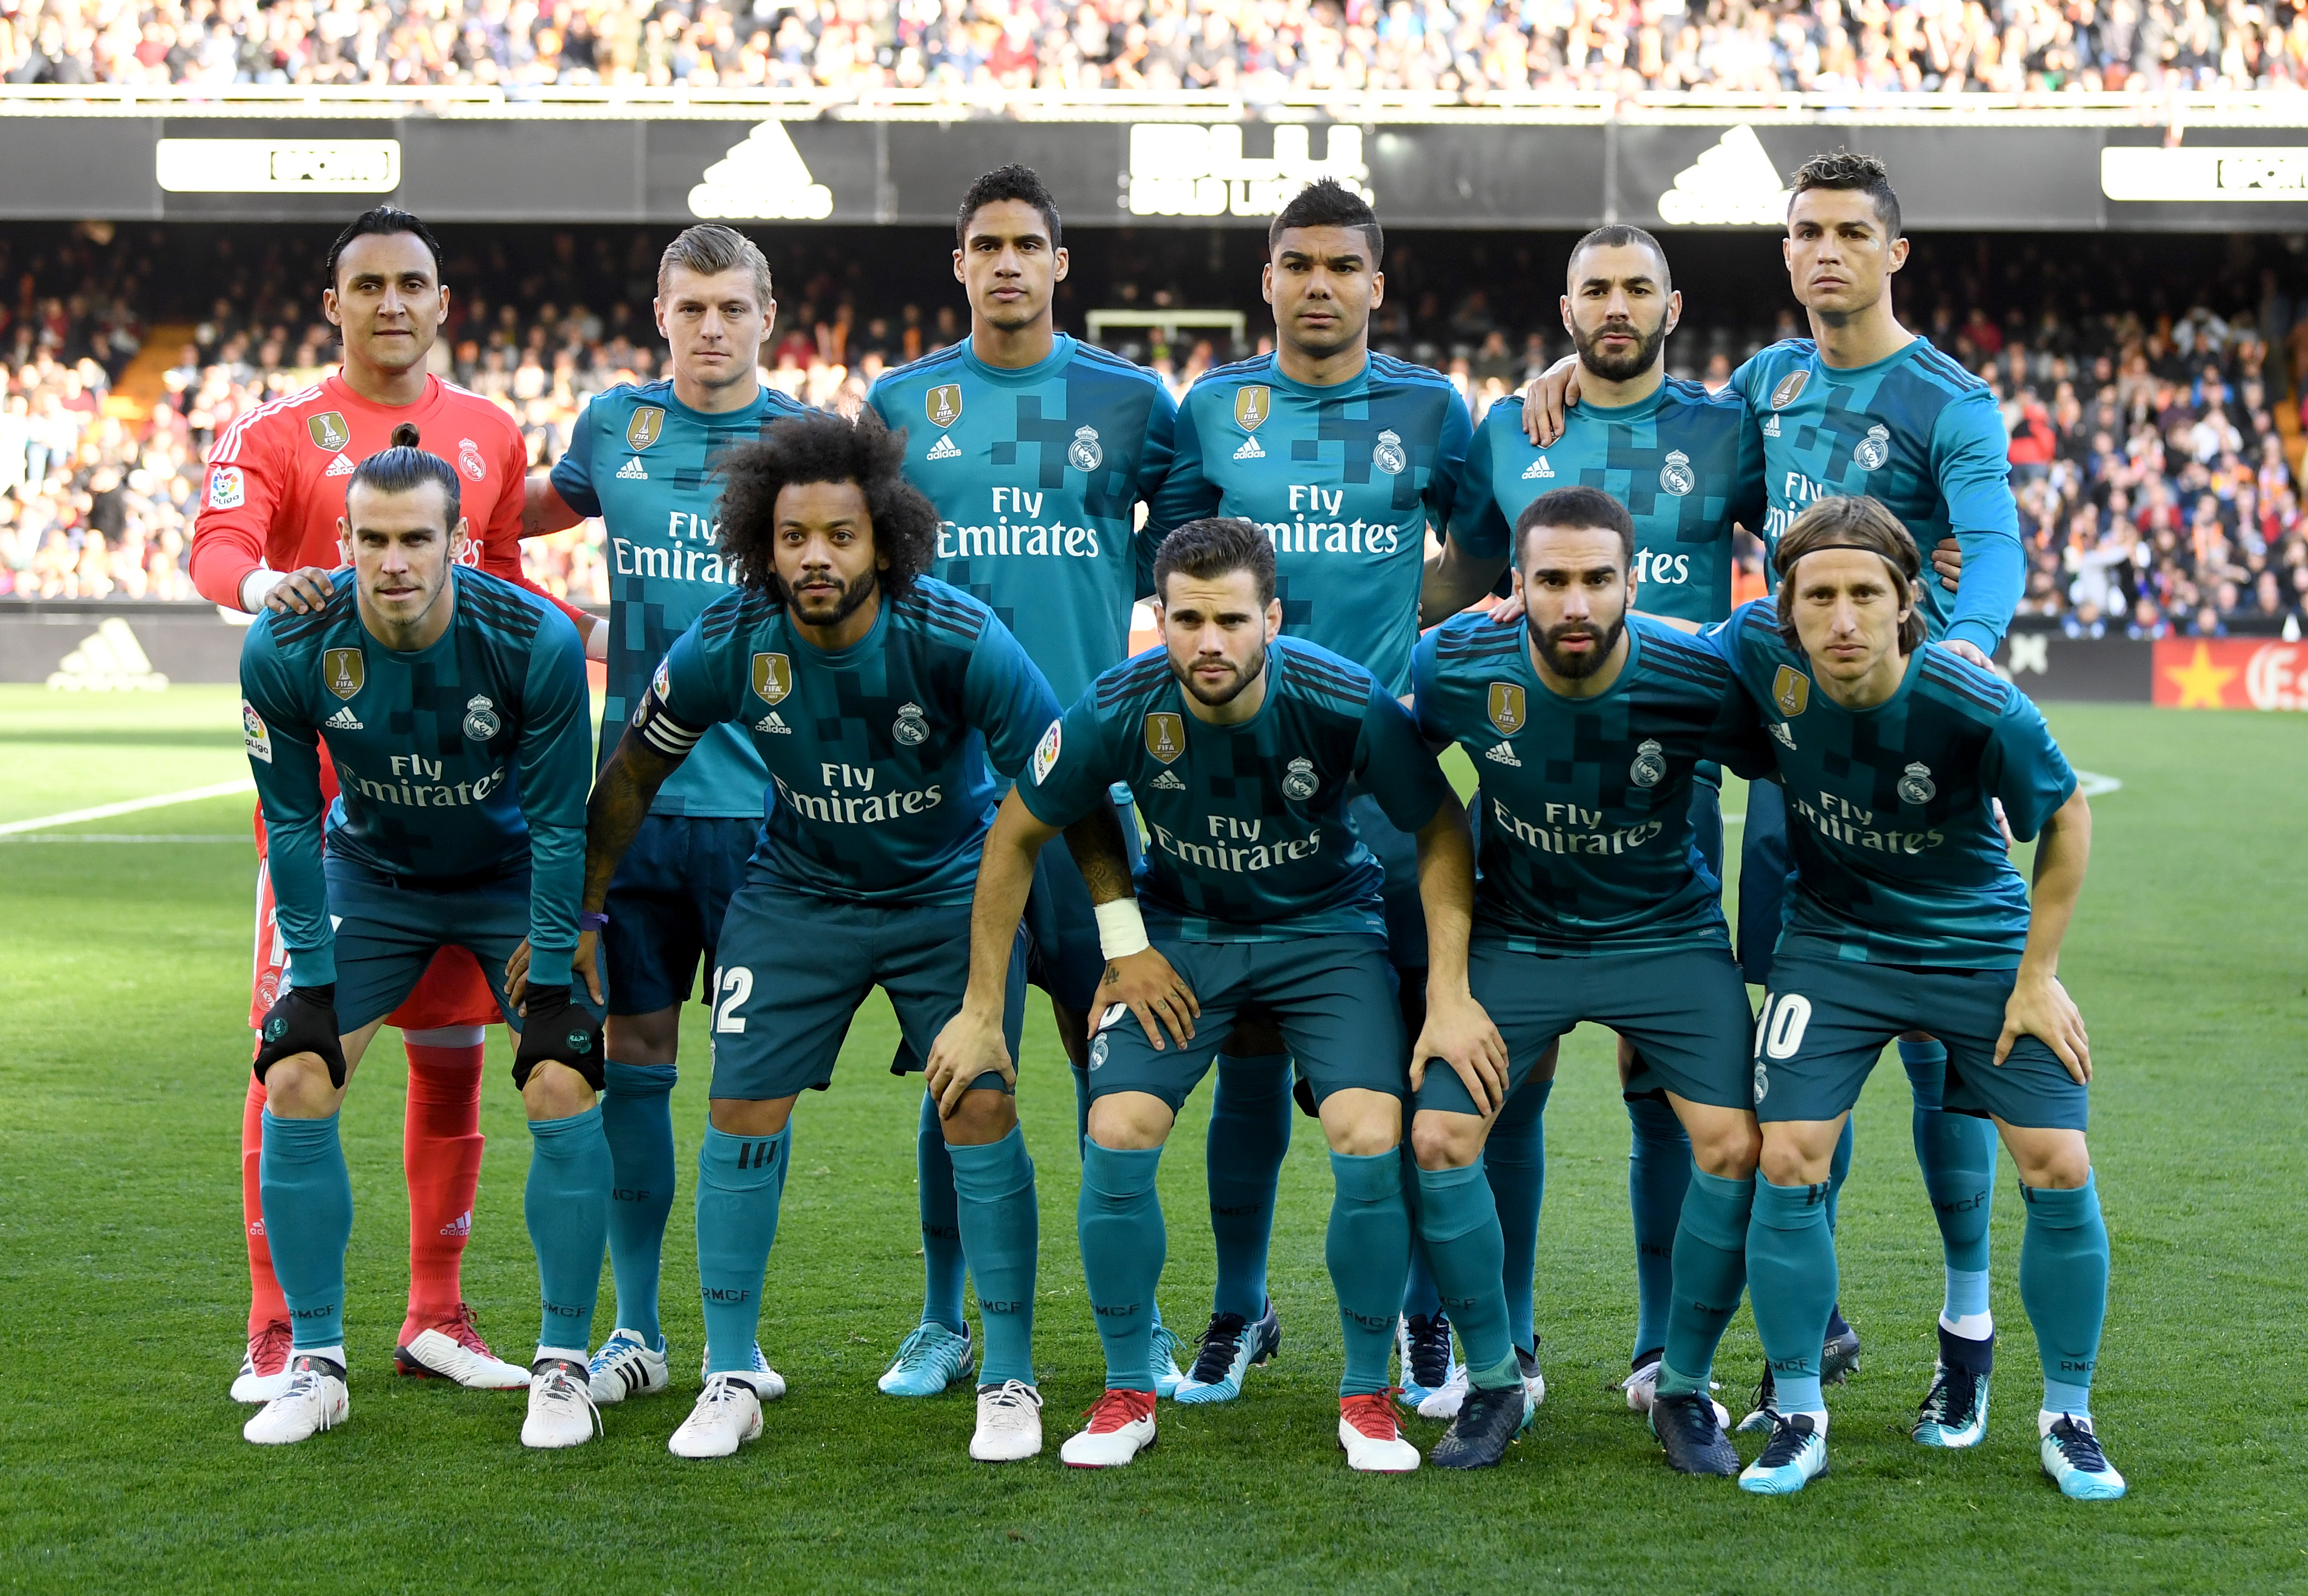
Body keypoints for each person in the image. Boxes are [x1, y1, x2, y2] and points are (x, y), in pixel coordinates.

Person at [1521, 151, 2024, 1413]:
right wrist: (1569, 378)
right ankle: (1816, 1326)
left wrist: (1954, 662)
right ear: (1785, 250)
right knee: (1804, 1069)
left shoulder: (1951, 400)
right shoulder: (1767, 384)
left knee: (1940, 1060)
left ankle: (1966, 1328)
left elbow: (1994, 548)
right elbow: (1674, 451)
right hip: (1802, 771)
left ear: (1893, 252)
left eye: (1851, 231)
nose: (1826, 251)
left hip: (1918, 764)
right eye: (1806, 232)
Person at [929, 516, 1500, 1472]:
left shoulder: (1341, 698)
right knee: (1115, 1129)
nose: (1208, 641)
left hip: (1325, 933)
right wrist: (995, 1004)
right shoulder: (1121, 701)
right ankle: (1127, 1391)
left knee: (1368, 1134)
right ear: (1158, 618)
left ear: (1270, 618)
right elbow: (1016, 833)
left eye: (1231, 620)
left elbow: (1439, 825)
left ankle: (1366, 1397)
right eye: (1187, 619)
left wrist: (1446, 992)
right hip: (1183, 938)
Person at [568, 408, 1060, 1463]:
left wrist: (1115, 925)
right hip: (797, 892)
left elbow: (1060, 779)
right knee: (738, 1107)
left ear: (884, 537)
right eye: (793, 537)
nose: (816, 557)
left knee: (978, 1101)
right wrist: (585, 910)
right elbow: (633, 775)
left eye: (840, 534)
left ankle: (1009, 1373)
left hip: (943, 892)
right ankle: (730, 1370)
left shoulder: (956, 636)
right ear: (763, 541)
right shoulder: (729, 640)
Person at [193, 205, 589, 1402]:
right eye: (366, 285)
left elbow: (506, 585)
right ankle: (277, 1326)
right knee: (292, 1049)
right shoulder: (274, 428)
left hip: (469, 810)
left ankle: (435, 1311)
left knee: (453, 1053)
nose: (391, 303)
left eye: (411, 283)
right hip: (331, 814)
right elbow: (218, 549)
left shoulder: (489, 431)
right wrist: (269, 589)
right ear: (334, 304)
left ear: (442, 302)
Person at [1708, 495, 2121, 1501]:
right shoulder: (1755, 649)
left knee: (2057, 1162)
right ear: (1785, 606)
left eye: (1864, 593)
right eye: (1818, 597)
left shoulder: (1971, 697)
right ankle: (1798, 1413)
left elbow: (2066, 815)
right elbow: (1650, 643)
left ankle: (2067, 1416)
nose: (1841, 618)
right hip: (1832, 944)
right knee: (1787, 1155)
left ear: (1906, 603)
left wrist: (2036, 976)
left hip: (1973, 941)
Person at [1144, 178, 1477, 1409]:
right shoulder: (1213, 408)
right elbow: (1172, 564)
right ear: (1268, 279)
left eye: (1343, 265)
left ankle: (1423, 1316)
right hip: (1239, 793)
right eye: (1298, 263)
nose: (1319, 284)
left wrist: (1410, 636)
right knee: (1245, 1056)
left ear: (1375, 284)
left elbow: (1480, 550)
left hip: (1381, 788)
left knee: (1414, 1064)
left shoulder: (1431, 408)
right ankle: (1242, 1307)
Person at [1422, 223, 1764, 1416]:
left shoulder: (1728, 427)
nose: (1616, 307)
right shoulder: (1508, 429)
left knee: (1661, 1081)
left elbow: (1811, 530)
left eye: (1636, 289)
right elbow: (1460, 577)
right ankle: (1506, 1347)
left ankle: (1665, 1351)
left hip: (1671, 786)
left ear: (1674, 306)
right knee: (1507, 1079)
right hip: (1528, 780)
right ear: (1564, 308)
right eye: (1595, 290)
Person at [864, 165, 1183, 1399]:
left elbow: (1186, 549)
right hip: (952, 795)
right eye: (984, 244)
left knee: (1115, 1065)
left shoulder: (1131, 400)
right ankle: (943, 1317)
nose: (1006, 262)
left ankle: (1133, 1320)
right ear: (959, 264)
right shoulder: (902, 404)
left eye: (1026, 245)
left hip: (1092, 788)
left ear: (1060, 263)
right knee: (963, 1057)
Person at [234, 434, 607, 1450]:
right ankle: (316, 1362)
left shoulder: (532, 637)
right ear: (344, 541)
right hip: (373, 878)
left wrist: (550, 960)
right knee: (295, 1072)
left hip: (507, 878)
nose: (393, 561)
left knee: (561, 1077)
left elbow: (561, 823)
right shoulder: (288, 643)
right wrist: (313, 977)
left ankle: (563, 1364)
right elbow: (291, 822)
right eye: (373, 540)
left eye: (415, 539)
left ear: (457, 543)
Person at [520, 223, 811, 1407]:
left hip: (764, 813)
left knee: (751, 1081)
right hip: (631, 810)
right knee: (635, 1062)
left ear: (767, 316)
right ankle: (636, 1330)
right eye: (691, 307)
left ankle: (736, 1339)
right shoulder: (613, 430)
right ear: (660, 315)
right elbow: (494, 524)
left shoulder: (806, 445)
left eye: (732, 307)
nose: (712, 327)